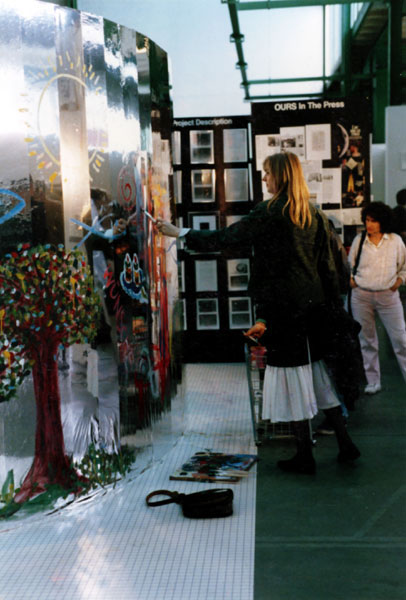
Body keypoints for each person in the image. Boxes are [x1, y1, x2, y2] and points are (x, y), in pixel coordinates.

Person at [156, 152, 360, 474]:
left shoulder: (270, 212)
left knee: (292, 379)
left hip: (283, 311)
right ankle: (346, 444)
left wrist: (178, 233)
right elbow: (328, 269)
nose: (263, 179)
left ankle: (305, 456)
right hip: (314, 310)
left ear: (279, 176)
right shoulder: (312, 214)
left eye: (266, 174)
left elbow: (226, 238)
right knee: (317, 376)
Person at [348, 202, 406, 394]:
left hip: (388, 296)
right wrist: (352, 280)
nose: (369, 225)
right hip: (362, 296)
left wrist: (399, 281)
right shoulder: (359, 240)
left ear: (383, 222)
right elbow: (350, 264)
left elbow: (404, 266)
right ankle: (373, 381)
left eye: (374, 221)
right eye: (367, 220)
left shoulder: (395, 241)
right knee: (366, 340)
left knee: (401, 339)